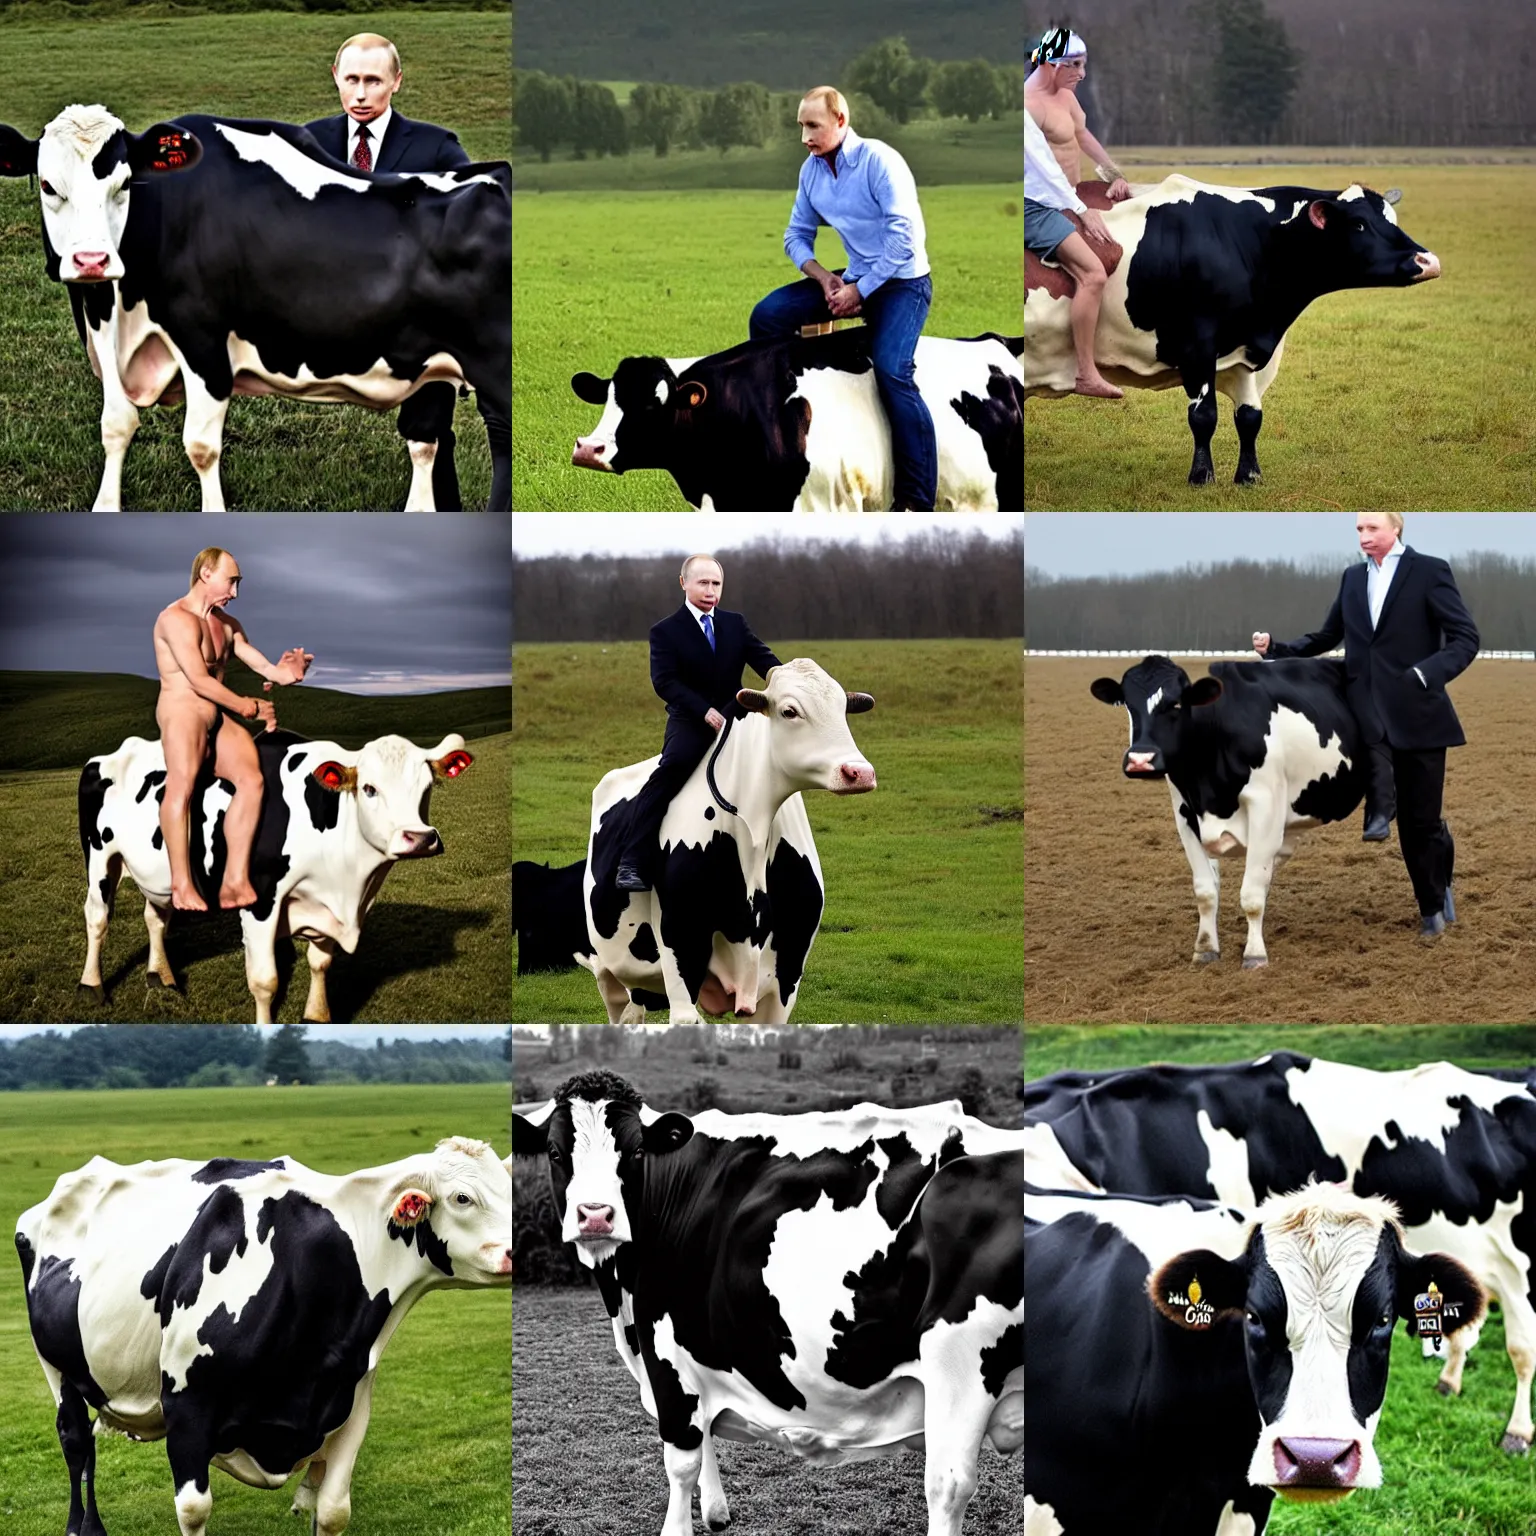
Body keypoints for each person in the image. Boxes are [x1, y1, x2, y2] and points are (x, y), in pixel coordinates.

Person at [1252, 513, 1479, 939]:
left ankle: (1436, 885)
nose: (1363, 536)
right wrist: (1277, 649)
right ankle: (1425, 903)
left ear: (1396, 529)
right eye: (1358, 529)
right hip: (1365, 709)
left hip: (1420, 714)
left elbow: (1466, 637)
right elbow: (1327, 636)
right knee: (1385, 777)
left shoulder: (1430, 571)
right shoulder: (1352, 579)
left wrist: (1426, 673)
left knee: (1423, 825)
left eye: (1372, 528)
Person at [749, 87, 937, 511]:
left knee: (893, 372)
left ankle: (916, 501)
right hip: (849, 279)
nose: (804, 137)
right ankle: (778, 443)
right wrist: (823, 279)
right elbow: (795, 235)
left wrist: (860, 291)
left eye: (813, 126)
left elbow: (905, 240)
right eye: (801, 126)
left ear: (840, 122)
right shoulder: (811, 172)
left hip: (903, 283)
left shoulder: (879, 162)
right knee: (767, 318)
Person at [305, 33, 471, 511]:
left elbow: (472, 211)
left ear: (396, 82)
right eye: (351, 79)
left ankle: (442, 506)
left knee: (433, 388)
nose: (360, 94)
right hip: (328, 304)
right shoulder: (307, 142)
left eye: (373, 81)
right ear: (335, 77)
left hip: (410, 306)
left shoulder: (437, 147)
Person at [153, 548, 313, 911]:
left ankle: (234, 881)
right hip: (183, 711)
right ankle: (180, 884)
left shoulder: (227, 625)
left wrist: (291, 671)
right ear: (206, 573)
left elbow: (266, 667)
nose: (235, 592)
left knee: (252, 780)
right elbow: (197, 679)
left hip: (216, 717)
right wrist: (246, 705)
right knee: (182, 784)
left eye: (238, 583)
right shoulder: (174, 619)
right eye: (231, 581)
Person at [614, 555, 782, 893]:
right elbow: (665, 682)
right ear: (684, 583)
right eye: (703, 583)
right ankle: (631, 863)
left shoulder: (735, 623)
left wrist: (791, 679)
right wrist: (703, 710)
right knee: (669, 772)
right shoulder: (664, 631)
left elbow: (765, 661)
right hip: (690, 720)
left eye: (716, 584)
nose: (710, 590)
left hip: (737, 716)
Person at [1025, 107, 1123, 400]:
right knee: (1092, 274)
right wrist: (1081, 209)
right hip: (1033, 207)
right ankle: (1086, 373)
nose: (1080, 74)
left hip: (1044, 200)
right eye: (1074, 65)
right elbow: (1043, 163)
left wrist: (1112, 174)